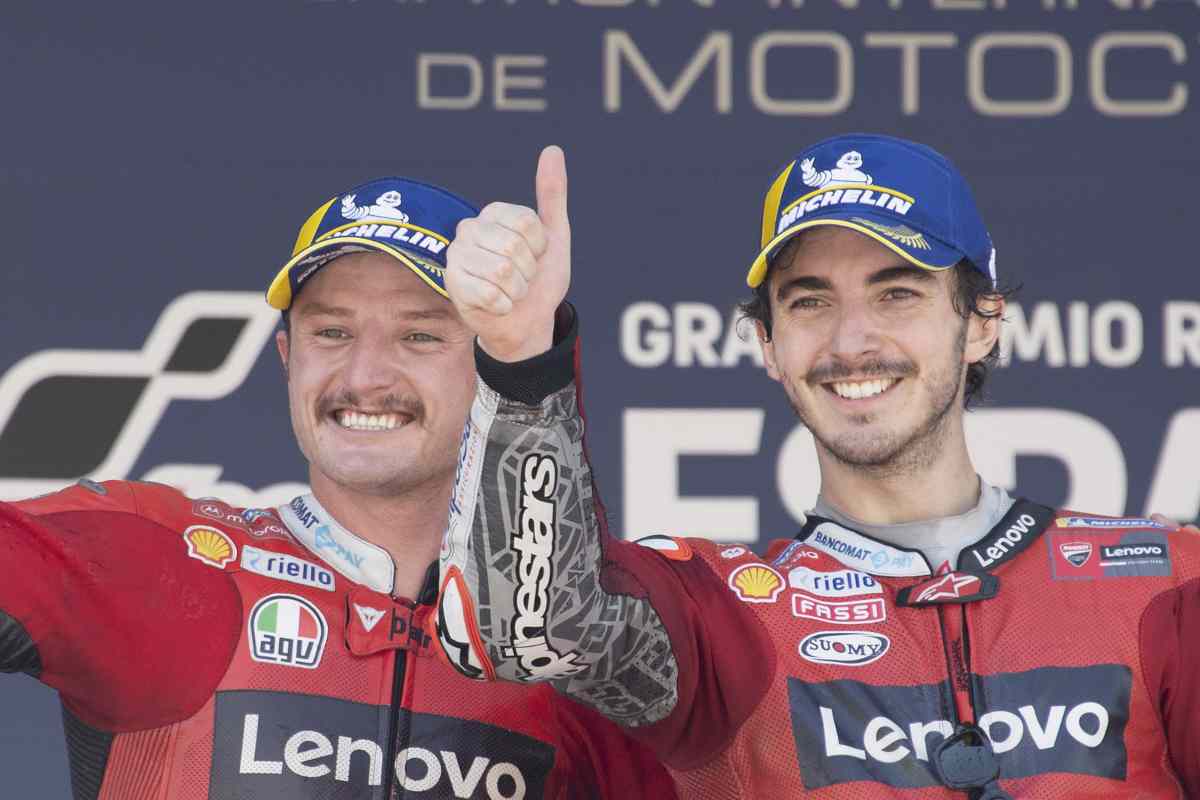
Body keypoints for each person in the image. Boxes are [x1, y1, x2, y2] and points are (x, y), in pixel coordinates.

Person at [437, 140, 1200, 798]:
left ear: (980, 324)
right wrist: (521, 358)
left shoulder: (1163, 585)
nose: (852, 339)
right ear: (768, 345)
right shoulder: (726, 619)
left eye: (897, 292)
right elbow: (531, 631)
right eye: (809, 302)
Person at [0, 175, 676, 800]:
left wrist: (536, 366)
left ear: (490, 365)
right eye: (331, 331)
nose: (364, 376)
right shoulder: (166, 559)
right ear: (287, 356)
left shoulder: (580, 646)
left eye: (419, 334)